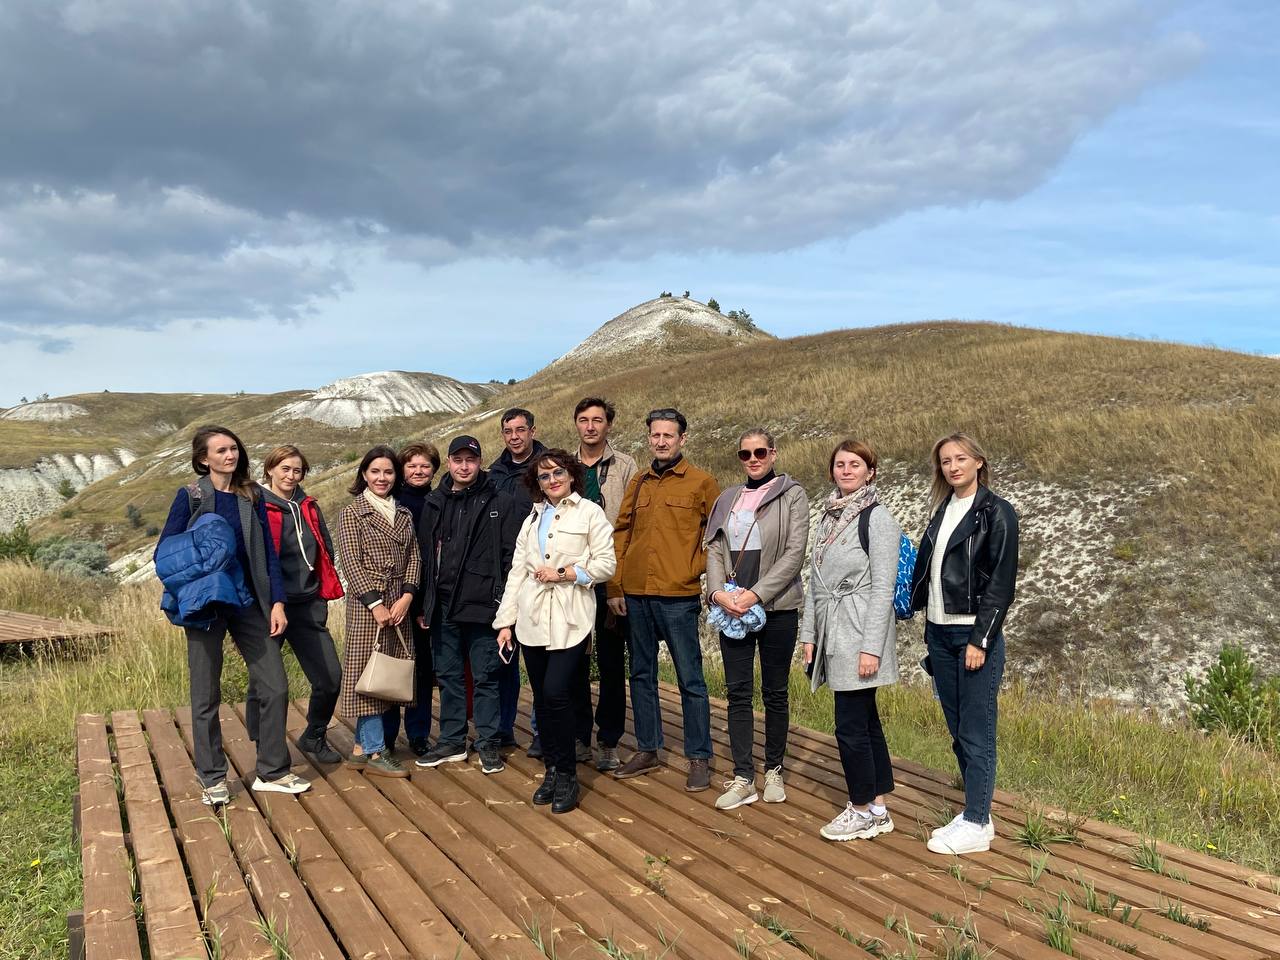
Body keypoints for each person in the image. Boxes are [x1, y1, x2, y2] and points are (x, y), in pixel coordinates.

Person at [156, 425, 309, 805]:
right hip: (205, 604)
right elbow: (166, 552)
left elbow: (269, 552)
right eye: (221, 450)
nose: (230, 455)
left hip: (248, 601)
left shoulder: (251, 495)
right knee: (205, 692)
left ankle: (272, 771)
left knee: (275, 685)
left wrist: (277, 602)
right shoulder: (190, 496)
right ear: (203, 458)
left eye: (234, 449)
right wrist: (201, 568)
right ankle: (212, 779)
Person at [910, 432, 1019, 856]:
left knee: (977, 731)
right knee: (958, 732)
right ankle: (978, 813)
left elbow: (1000, 586)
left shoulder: (996, 512)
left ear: (978, 462)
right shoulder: (943, 510)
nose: (952, 467)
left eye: (960, 458)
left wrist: (981, 640)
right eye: (945, 461)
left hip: (972, 636)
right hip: (939, 634)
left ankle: (975, 821)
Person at [494, 449, 616, 813]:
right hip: (532, 619)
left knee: (557, 692)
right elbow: (517, 572)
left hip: (570, 617)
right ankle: (551, 769)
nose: (552, 480)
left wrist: (565, 573)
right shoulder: (532, 518)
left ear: (571, 474)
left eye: (558, 473)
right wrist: (505, 622)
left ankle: (567, 773)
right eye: (544, 476)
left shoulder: (589, 512)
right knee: (543, 698)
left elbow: (606, 564)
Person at [608, 408, 720, 791]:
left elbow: (719, 537)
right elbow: (621, 534)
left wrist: (693, 568)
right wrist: (615, 586)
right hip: (636, 594)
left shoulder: (702, 483)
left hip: (677, 595)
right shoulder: (638, 481)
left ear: (682, 439)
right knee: (641, 674)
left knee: (690, 677)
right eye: (655, 435)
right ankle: (648, 749)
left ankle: (699, 756)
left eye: (668, 435)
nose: (661, 441)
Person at [800, 440, 902, 840]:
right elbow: (816, 583)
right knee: (865, 721)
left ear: (870, 471)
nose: (846, 470)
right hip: (833, 628)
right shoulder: (829, 517)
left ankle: (859, 809)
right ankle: (878, 806)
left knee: (849, 725)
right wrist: (809, 634)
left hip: (858, 630)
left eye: (855, 464)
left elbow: (883, 587)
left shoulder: (877, 518)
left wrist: (870, 647)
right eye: (840, 464)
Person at [705, 429, 808, 810]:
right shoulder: (728, 498)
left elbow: (794, 554)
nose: (753, 459)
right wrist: (717, 593)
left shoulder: (792, 495)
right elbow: (715, 548)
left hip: (777, 606)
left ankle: (774, 769)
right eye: (745, 454)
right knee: (737, 691)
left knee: (775, 691)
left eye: (760, 452)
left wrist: (756, 594)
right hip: (732, 607)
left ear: (773, 454)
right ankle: (743, 776)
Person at [415, 436, 524, 774]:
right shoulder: (434, 502)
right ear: (449, 462)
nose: (464, 467)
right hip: (443, 605)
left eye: (471, 460)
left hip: (483, 606)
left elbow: (511, 557)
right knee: (449, 676)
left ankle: (488, 743)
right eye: (458, 460)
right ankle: (451, 740)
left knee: (486, 677)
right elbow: (424, 557)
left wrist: (506, 609)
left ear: (480, 463)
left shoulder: (500, 501)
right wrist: (425, 604)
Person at [252, 445, 344, 766]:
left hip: (307, 605)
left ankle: (314, 735)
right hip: (269, 607)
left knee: (330, 677)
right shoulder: (256, 505)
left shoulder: (308, 506)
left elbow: (325, 549)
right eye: (285, 469)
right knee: (265, 683)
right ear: (270, 469)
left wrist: (320, 595)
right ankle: (263, 746)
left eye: (297, 470)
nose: (291, 476)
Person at [336, 446, 421, 779]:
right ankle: (375, 750)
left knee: (386, 676)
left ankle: (360, 749)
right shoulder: (352, 513)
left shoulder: (404, 513)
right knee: (366, 676)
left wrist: (407, 596)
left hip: (399, 603)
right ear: (364, 474)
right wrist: (375, 603)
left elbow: (415, 557)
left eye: (388, 472)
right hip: (367, 606)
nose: (382, 478)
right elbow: (350, 562)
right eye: (375, 471)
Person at [573, 396, 638, 771]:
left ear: (608, 425)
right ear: (576, 424)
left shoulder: (625, 466)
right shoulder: (565, 465)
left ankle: (609, 740)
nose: (590, 426)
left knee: (612, 663)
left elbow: (630, 526)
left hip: (610, 576)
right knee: (574, 660)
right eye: (584, 420)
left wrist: (617, 584)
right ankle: (579, 735)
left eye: (597, 420)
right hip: (572, 579)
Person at [488, 408, 546, 748]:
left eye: (521, 430)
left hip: (539, 577)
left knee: (539, 659)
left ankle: (541, 731)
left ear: (532, 431)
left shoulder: (547, 468)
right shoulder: (493, 474)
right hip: (503, 577)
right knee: (504, 658)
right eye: (508, 431)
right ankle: (503, 727)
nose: (515, 436)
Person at [383, 441, 441, 756]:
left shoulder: (439, 500)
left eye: (425, 466)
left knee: (421, 670)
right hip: (397, 598)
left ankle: (418, 733)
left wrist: (424, 605)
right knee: (393, 666)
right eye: (412, 466)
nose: (418, 471)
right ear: (402, 469)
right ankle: (388, 735)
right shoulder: (392, 502)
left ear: (434, 469)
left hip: (426, 599)